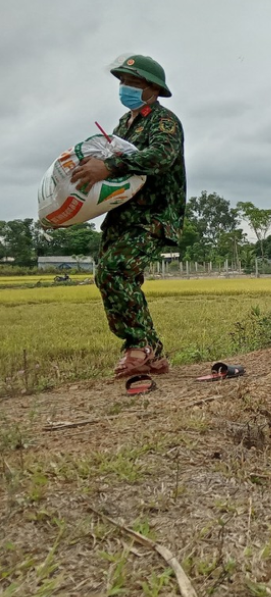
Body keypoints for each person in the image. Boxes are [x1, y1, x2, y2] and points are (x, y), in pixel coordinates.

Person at [70, 55, 185, 379]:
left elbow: (160, 157)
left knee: (116, 269)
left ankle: (141, 348)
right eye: (123, 82)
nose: (125, 88)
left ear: (153, 89)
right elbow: (108, 160)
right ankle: (150, 351)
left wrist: (110, 166)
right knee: (107, 276)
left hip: (152, 214)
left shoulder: (165, 122)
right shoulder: (123, 125)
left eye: (133, 83)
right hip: (122, 212)